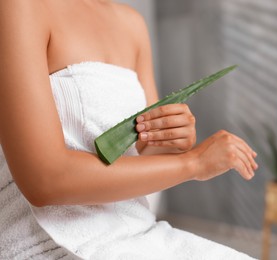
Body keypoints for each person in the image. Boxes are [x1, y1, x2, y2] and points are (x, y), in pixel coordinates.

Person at [0, 0, 258, 259]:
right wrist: (192, 163)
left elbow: (141, 156)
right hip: (46, 243)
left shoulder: (131, 24)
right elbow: (46, 180)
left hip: (134, 232)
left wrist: (171, 140)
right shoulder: (21, 7)